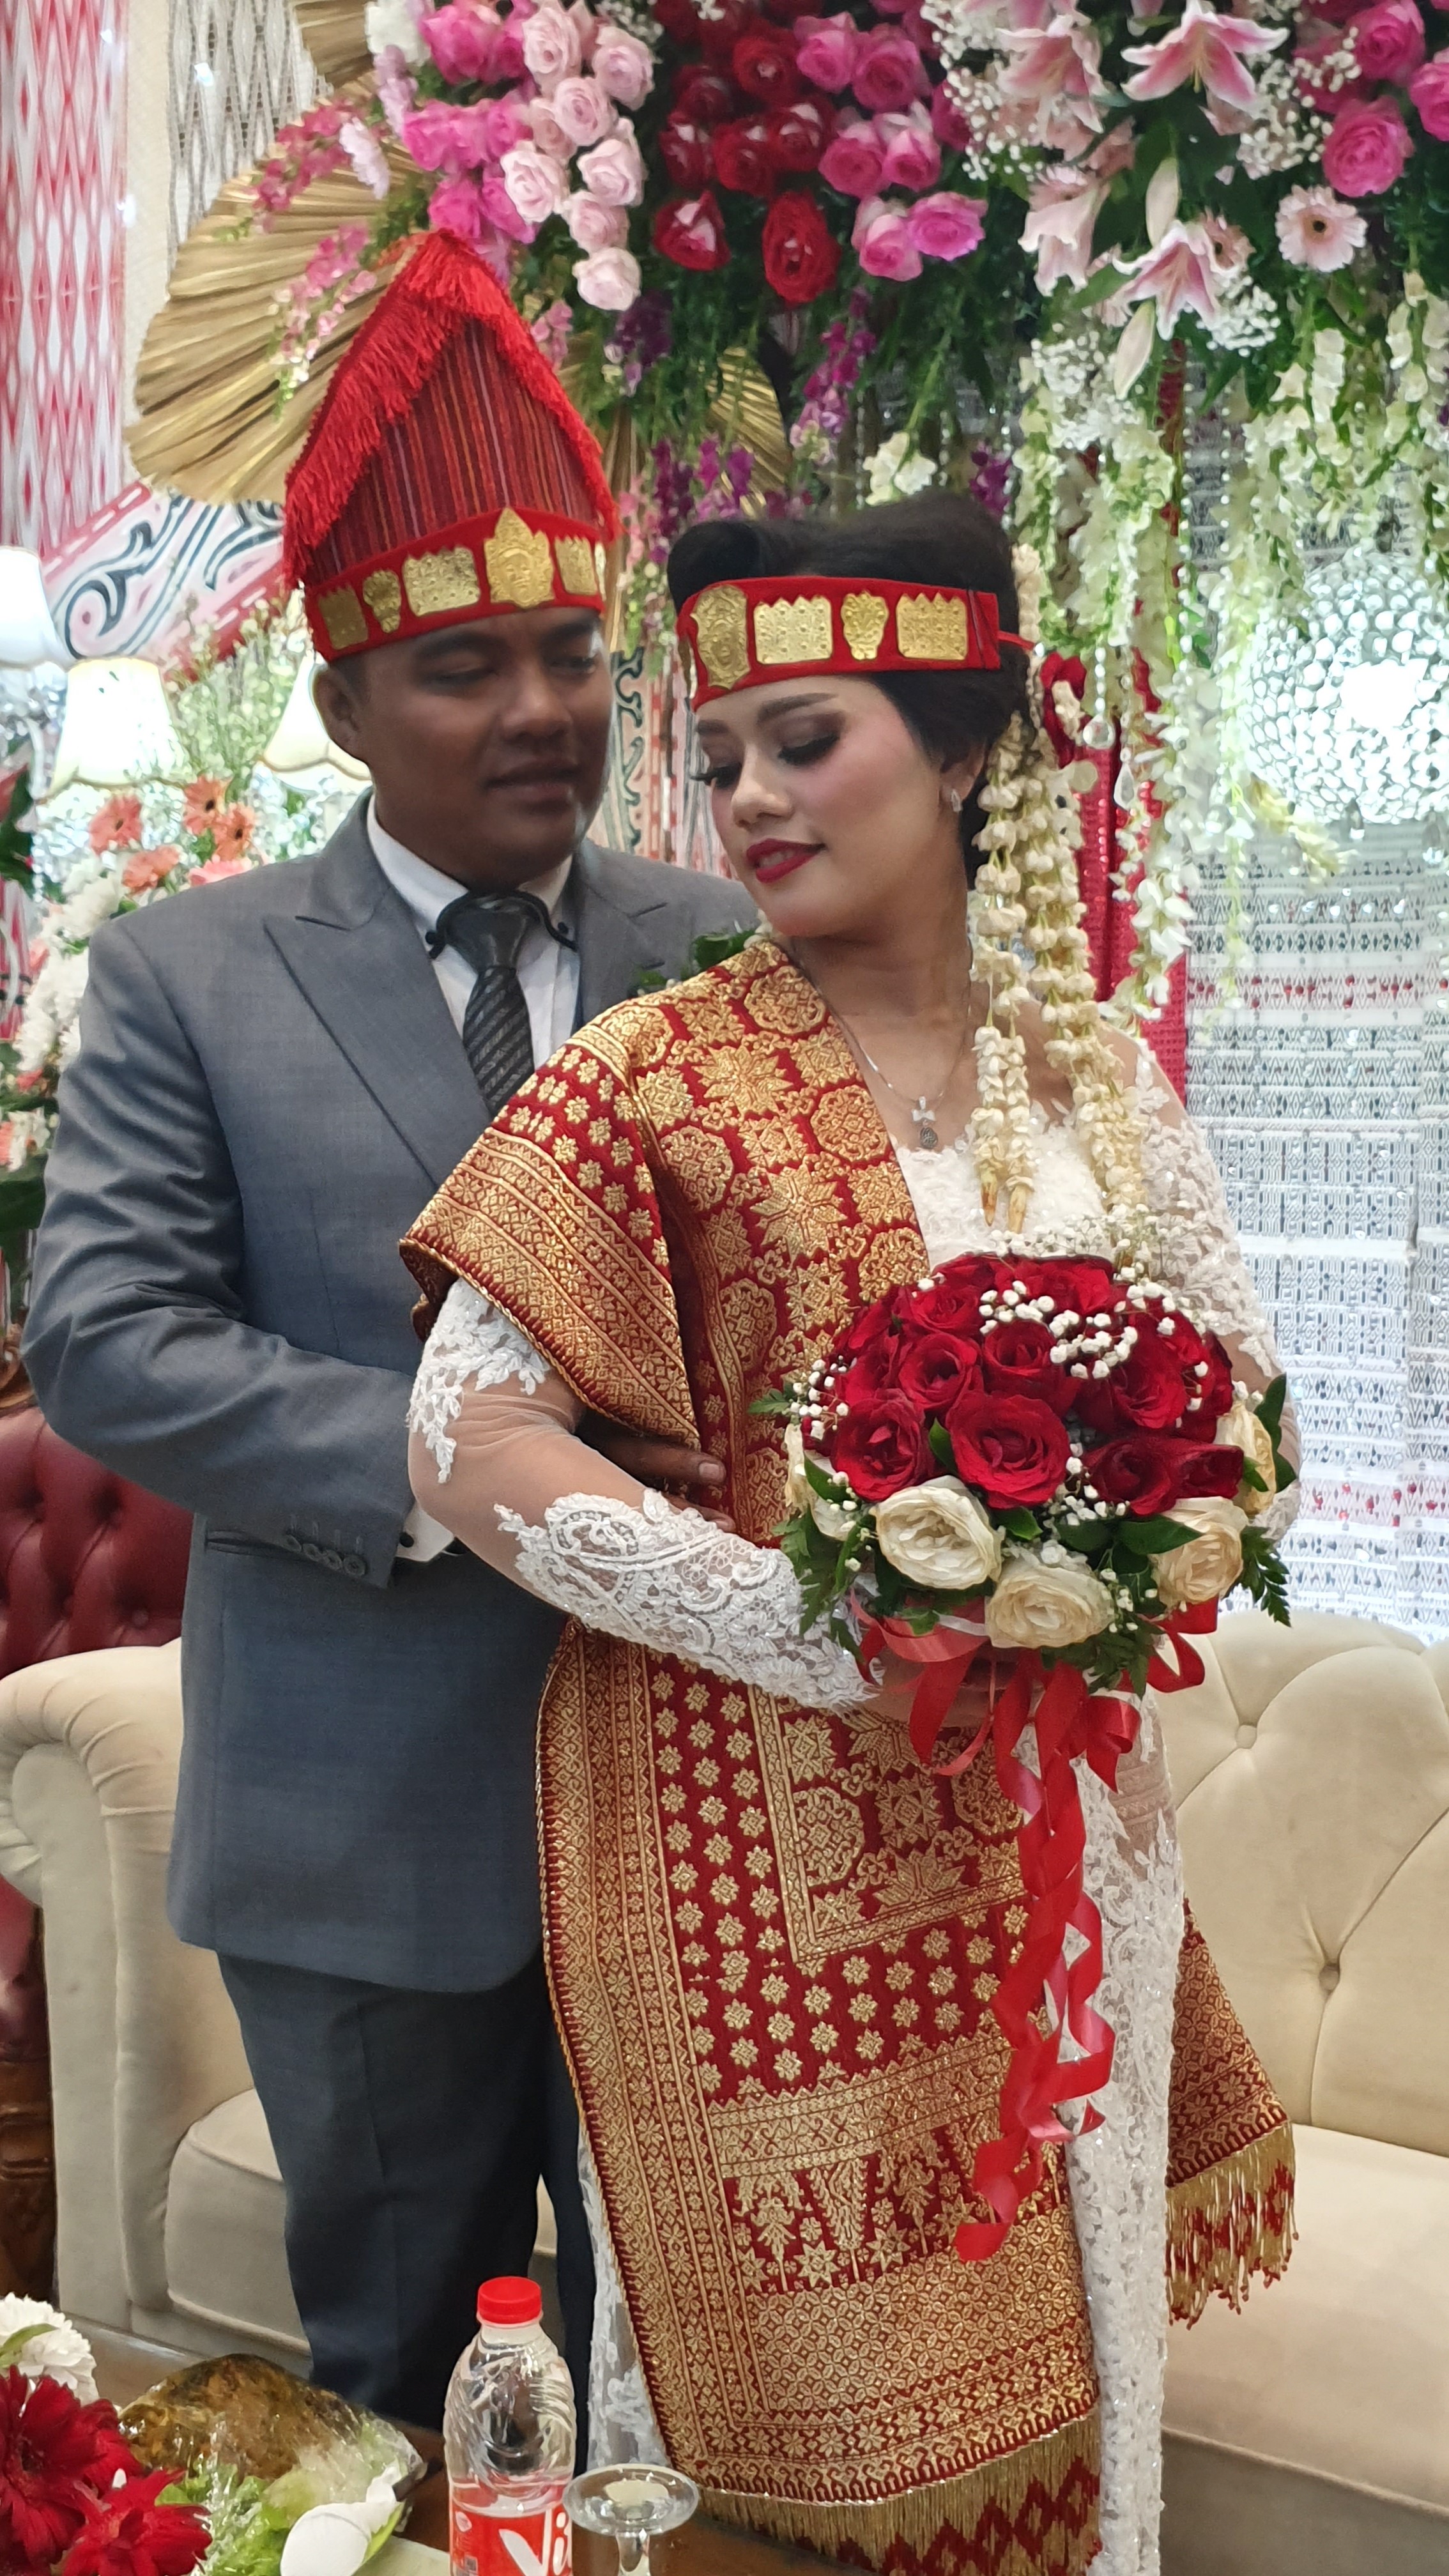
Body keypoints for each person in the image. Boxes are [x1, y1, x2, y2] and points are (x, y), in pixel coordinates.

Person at [398, 493, 1300, 2575]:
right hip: (753, 1867)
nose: (749, 798)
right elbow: (463, 1434)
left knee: (1085, 2374)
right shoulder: (648, 1079)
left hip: (1071, 1839)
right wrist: (825, 1623)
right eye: (720, 755)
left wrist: (1112, 1552)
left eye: (805, 741)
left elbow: (1242, 1415)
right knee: (785, 2471)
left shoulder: (1091, 1081)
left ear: (965, 749)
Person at [22, 231, 750, 2434]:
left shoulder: (721, 944)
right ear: (342, 705)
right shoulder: (191, 976)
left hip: (693, 1812)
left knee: (678, 2398)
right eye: (461, 668)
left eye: (569, 654)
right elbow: (112, 1344)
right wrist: (485, 1478)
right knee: (401, 2394)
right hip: (359, 1819)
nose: (539, 708)